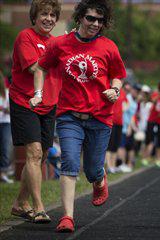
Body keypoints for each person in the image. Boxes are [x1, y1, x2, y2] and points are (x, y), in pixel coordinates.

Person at [30, 0, 126, 232]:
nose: (95, 24)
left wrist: (115, 90)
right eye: (90, 18)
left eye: (100, 20)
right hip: (69, 116)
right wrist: (39, 93)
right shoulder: (61, 44)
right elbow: (41, 67)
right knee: (70, 163)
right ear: (80, 17)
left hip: (100, 117)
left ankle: (99, 180)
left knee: (92, 169)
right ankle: (67, 217)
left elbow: (118, 75)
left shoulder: (109, 47)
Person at [9, 0, 62, 223]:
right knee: (34, 154)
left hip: (49, 104)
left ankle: (20, 203)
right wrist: (58, 51)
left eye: (52, 15)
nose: (48, 18)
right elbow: (34, 68)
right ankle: (39, 208)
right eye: (44, 14)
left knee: (38, 158)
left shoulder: (55, 43)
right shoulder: (26, 37)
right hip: (25, 101)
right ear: (34, 16)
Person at [0, 70, 12, 184]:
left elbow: (11, 110)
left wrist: (4, 109)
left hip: (5, 122)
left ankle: (3, 173)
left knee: (5, 148)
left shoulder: (7, 93)